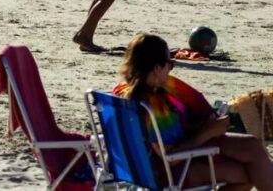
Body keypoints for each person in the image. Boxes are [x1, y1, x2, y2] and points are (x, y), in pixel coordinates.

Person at [113, 34, 273, 190]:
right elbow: (170, 157)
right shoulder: (153, 106)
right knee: (248, 173)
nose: (170, 69)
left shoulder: (123, 92)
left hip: (138, 167)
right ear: (156, 68)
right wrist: (209, 132)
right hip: (166, 172)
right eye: (170, 63)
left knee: (251, 146)